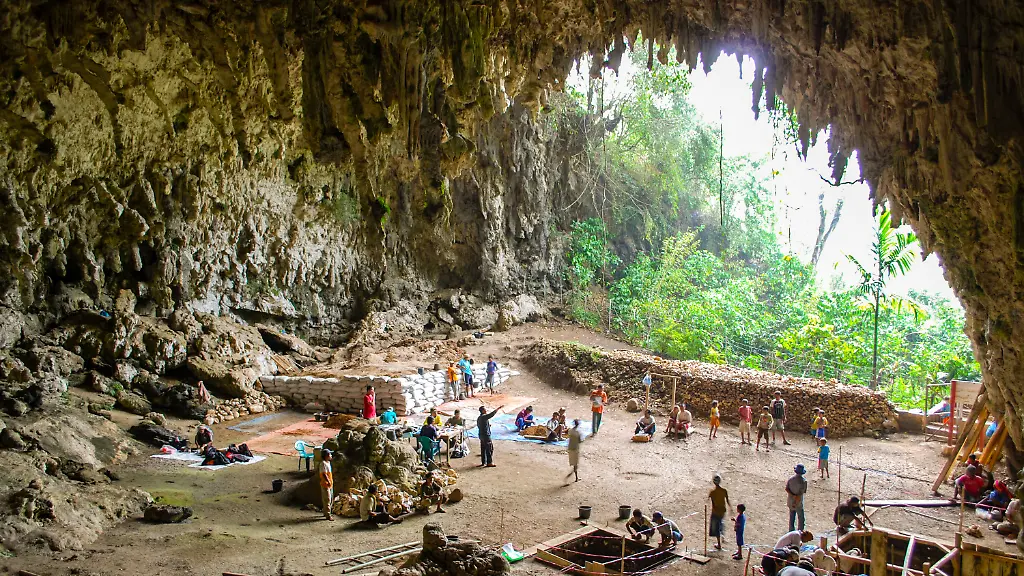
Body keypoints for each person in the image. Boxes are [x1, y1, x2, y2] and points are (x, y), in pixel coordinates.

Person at [709, 474, 731, 550]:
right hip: (722, 511)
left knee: (716, 528)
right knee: (721, 523)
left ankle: (719, 544)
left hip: (716, 512)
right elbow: (727, 501)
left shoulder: (712, 492)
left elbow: (713, 503)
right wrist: (730, 508)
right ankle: (723, 536)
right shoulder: (724, 491)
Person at [785, 464, 808, 531]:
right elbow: (800, 494)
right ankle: (800, 532)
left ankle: (791, 531)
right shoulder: (803, 481)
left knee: (792, 518)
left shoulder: (791, 479)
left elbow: (787, 489)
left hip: (790, 501)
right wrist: (796, 501)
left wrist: (792, 495)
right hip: (798, 503)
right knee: (801, 519)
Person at [320, 449, 335, 521]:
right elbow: (324, 474)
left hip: (329, 484)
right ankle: (328, 515)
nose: (331, 456)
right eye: (330, 454)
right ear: (326, 456)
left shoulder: (328, 462)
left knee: (330, 498)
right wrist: (328, 481)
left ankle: (326, 512)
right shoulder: (323, 463)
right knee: (327, 499)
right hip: (325, 484)